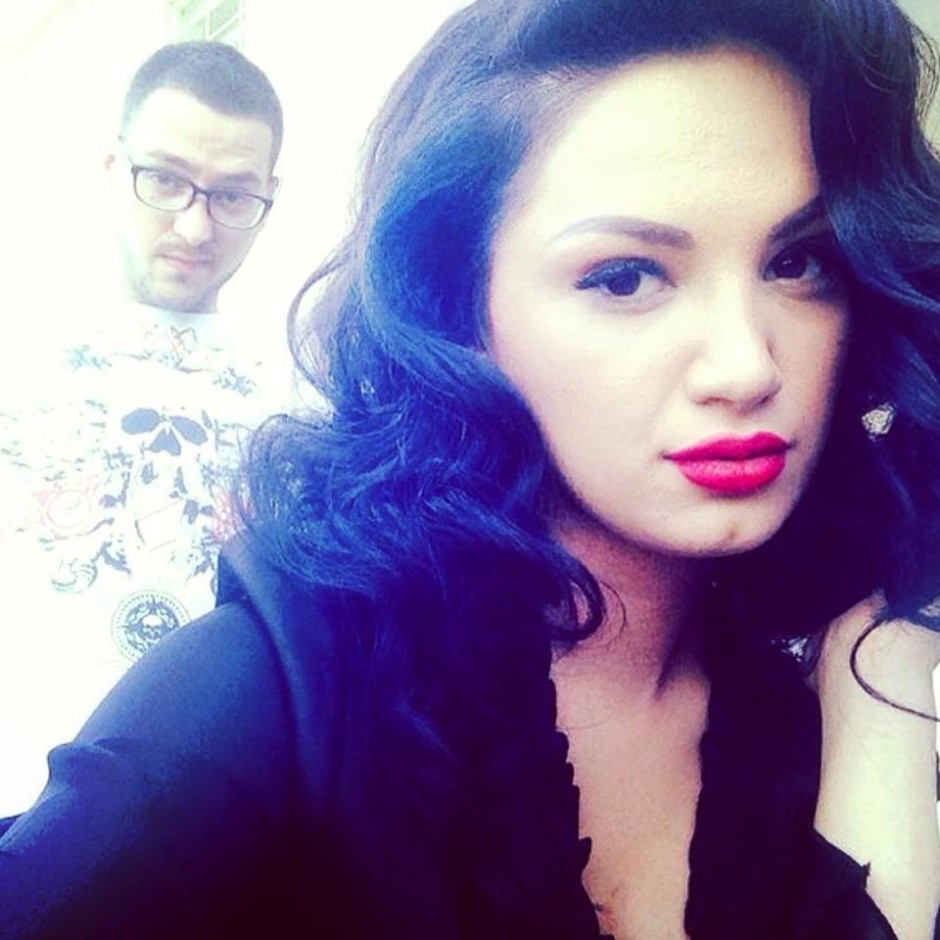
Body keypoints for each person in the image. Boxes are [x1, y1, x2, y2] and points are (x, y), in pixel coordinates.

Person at [1, 0, 939, 936]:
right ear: (461, 312)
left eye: (799, 262)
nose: (746, 366)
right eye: (625, 277)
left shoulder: (811, 700)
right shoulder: (277, 697)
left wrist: (886, 673)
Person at [0, 41, 288, 814]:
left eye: (232, 195)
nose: (194, 227)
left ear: (269, 199)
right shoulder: (14, 346)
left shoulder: (301, 396)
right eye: (163, 179)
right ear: (112, 166)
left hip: (213, 822)